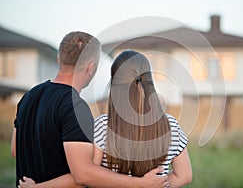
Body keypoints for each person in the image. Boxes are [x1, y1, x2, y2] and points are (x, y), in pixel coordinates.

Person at [11, 32, 168, 188]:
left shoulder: (29, 96)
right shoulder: (75, 107)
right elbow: (83, 175)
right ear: (91, 67)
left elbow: (15, 150)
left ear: (59, 59)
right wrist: (140, 183)